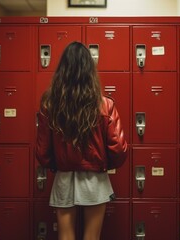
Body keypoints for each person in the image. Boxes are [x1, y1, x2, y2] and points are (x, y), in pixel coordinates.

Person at [36, 41, 128, 240]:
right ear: (90, 70)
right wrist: (101, 163)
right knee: (91, 238)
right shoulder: (105, 105)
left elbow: (42, 152)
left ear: (62, 70)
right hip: (95, 178)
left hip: (64, 177)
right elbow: (119, 149)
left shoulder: (49, 104)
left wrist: (59, 164)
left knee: (65, 237)